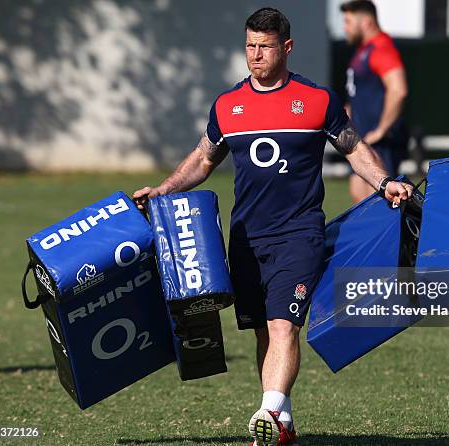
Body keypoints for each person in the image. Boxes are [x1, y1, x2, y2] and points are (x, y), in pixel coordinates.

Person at [133, 7, 412, 446]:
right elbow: (204, 159)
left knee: (284, 325)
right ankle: (282, 421)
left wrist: (383, 182)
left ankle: (268, 410)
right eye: (250, 45)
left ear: (286, 47)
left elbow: (355, 149)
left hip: (299, 233)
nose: (255, 54)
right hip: (245, 237)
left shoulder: (316, 100)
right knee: (264, 329)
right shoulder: (228, 106)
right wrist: (165, 190)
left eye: (264, 46)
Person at [341, 0, 410, 203]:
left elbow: (398, 90)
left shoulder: (381, 48)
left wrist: (381, 130)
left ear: (366, 22)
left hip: (380, 143)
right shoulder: (363, 51)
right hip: (362, 142)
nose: (345, 28)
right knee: (359, 199)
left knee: (378, 204)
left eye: (348, 22)